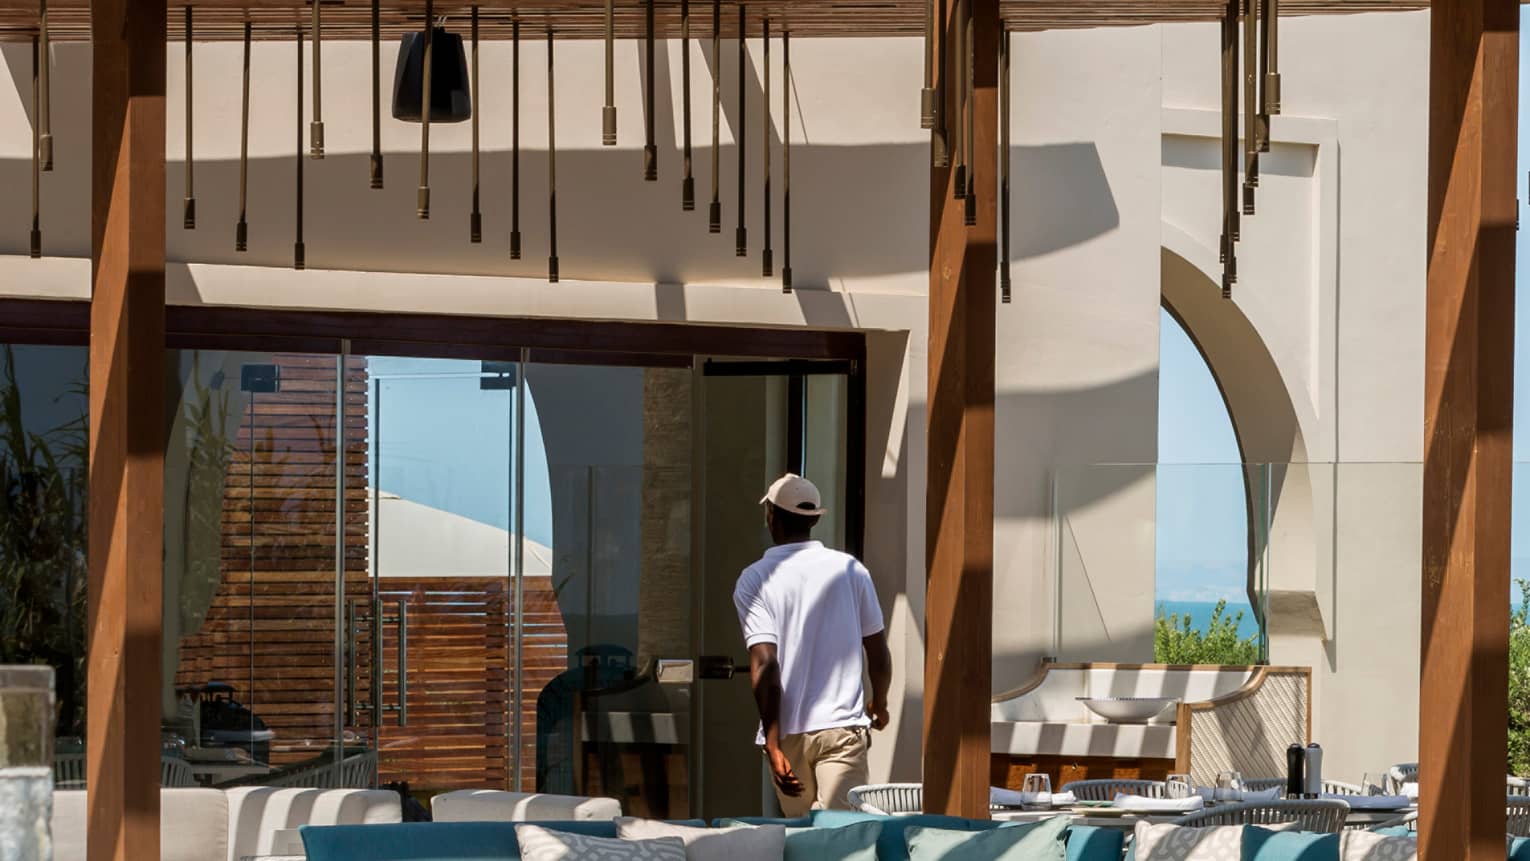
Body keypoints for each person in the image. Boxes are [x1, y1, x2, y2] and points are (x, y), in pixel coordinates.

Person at [733, 473, 893, 815]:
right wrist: (880, 703)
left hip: (787, 733)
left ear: (771, 516)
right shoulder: (850, 570)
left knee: (806, 838)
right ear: (815, 519)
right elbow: (877, 651)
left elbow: (764, 663)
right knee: (842, 836)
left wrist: (773, 744)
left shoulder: (756, 578)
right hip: (842, 730)